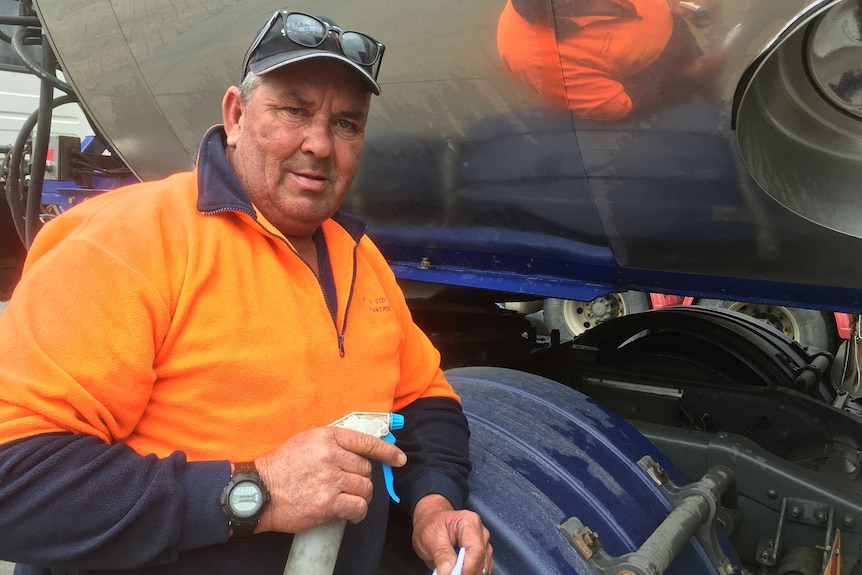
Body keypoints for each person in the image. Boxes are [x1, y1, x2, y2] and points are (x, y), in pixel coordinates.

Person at [0, 9, 493, 575]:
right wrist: (251, 493)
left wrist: (434, 505)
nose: (320, 145)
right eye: (294, 111)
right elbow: (13, 478)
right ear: (235, 115)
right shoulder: (131, 242)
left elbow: (424, 400)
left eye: (346, 124)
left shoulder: (358, 257)